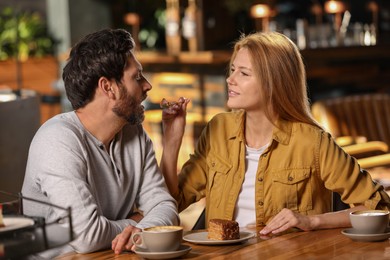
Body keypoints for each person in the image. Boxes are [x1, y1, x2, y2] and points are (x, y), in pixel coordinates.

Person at [159, 31, 390, 236]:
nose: (230, 79)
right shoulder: (218, 129)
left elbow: (379, 208)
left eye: (244, 73)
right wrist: (171, 142)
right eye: (232, 70)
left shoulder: (312, 141)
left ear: (273, 83)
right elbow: (171, 203)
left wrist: (312, 221)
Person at [21, 28, 179, 256]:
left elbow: (165, 206)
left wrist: (139, 229)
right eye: (137, 77)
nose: (147, 85)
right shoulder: (57, 140)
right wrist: (135, 221)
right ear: (108, 87)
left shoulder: (134, 133)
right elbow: (87, 236)